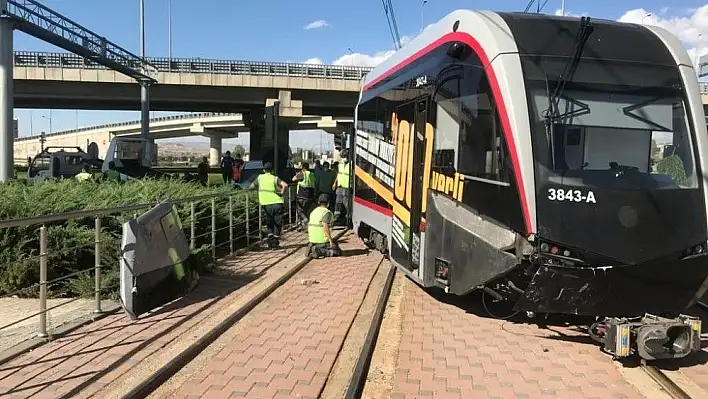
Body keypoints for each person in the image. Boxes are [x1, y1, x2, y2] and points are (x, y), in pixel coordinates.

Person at [250, 162, 288, 249]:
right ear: (272, 170)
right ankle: (274, 242)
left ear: (264, 170)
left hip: (266, 204)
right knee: (277, 224)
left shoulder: (260, 178)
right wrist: (282, 192)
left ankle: (271, 240)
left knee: (269, 222)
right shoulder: (275, 178)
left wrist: (256, 189)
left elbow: (251, 186)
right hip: (278, 203)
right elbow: (285, 185)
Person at [307, 194, 341, 258]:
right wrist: (331, 241)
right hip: (322, 240)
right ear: (328, 203)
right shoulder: (326, 212)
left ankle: (313, 247)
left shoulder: (314, 211)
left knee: (335, 244)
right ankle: (318, 250)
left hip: (312, 239)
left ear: (318, 202)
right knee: (337, 252)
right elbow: (325, 228)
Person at [292, 162, 315, 231]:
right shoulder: (312, 174)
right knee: (305, 211)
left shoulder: (303, 174)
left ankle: (305, 220)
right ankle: (304, 227)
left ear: (303, 168)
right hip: (310, 196)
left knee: (300, 211)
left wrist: (298, 174)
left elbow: (293, 179)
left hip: (302, 195)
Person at [333, 150, 351, 227]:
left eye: (344, 156)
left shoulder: (351, 165)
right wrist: (335, 183)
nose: (343, 158)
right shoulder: (340, 164)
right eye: (342, 156)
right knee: (338, 203)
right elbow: (339, 174)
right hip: (340, 187)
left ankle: (348, 219)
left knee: (346, 204)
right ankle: (336, 218)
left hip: (347, 187)